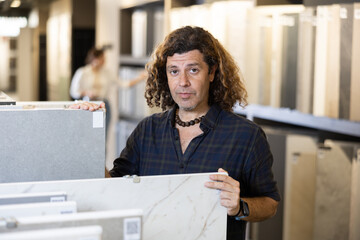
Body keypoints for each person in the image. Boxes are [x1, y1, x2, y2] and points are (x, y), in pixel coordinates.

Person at [71, 26, 280, 240]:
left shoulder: (246, 136)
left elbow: (270, 203)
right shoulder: (147, 131)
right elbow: (113, 190)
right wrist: (88, 135)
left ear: (212, 72)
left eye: (193, 70)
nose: (183, 82)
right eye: (174, 71)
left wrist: (240, 207)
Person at [70, 47, 146, 134]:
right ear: (95, 59)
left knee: (102, 135)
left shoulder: (107, 73)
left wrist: (140, 78)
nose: (104, 61)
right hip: (88, 105)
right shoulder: (83, 72)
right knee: (87, 134)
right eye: (102, 58)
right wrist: (86, 93)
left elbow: (124, 84)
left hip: (103, 105)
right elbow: (73, 92)